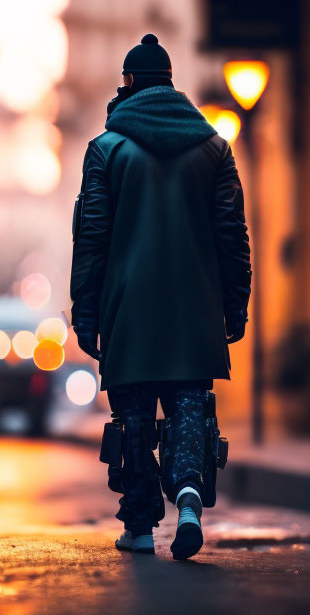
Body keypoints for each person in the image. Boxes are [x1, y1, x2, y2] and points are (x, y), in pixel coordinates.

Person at [69, 34, 251, 560]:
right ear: (172, 85)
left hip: (128, 313)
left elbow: (93, 239)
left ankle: (141, 525)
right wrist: (235, 305)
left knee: (133, 421)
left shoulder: (105, 149)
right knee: (190, 407)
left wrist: (86, 314)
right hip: (195, 314)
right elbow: (231, 235)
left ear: (127, 85)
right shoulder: (214, 148)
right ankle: (190, 495)